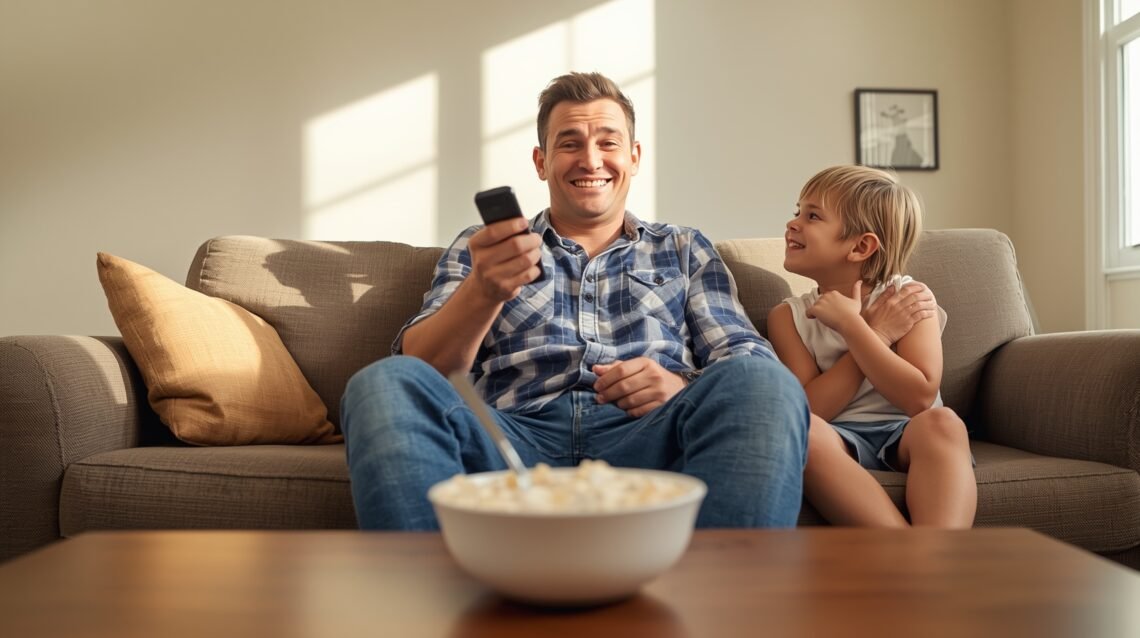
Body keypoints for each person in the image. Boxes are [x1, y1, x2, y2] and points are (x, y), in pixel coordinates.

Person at [339, 71, 810, 530]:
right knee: (382, 382)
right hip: (512, 439)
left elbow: (746, 357)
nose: (590, 159)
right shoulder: (483, 248)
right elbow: (421, 368)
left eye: (608, 142)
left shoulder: (683, 247)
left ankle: (729, 599)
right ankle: (425, 600)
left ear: (635, 156)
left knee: (761, 382)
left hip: (650, 438)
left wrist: (680, 385)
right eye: (570, 143)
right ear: (541, 162)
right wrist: (484, 291)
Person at [767, 165, 977, 528]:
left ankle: (942, 556)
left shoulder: (908, 299)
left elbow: (919, 398)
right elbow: (811, 410)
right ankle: (910, 558)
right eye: (797, 211)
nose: (794, 223)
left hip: (906, 431)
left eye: (813, 215)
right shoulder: (788, 317)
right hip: (837, 436)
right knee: (804, 433)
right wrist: (873, 334)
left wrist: (853, 327)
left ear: (861, 246)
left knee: (943, 423)